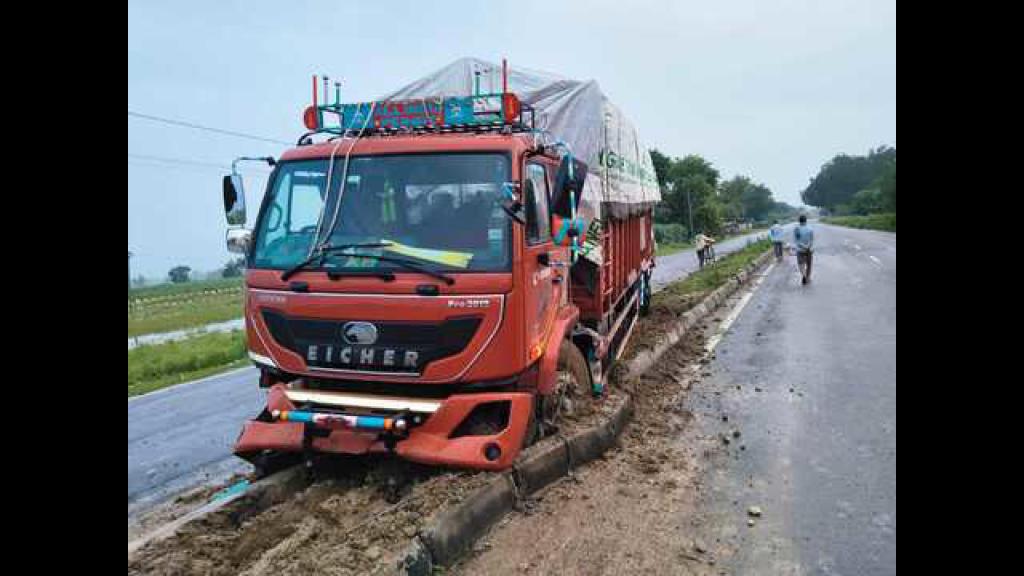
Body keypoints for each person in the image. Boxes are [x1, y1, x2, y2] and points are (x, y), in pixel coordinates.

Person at [794, 214, 814, 284]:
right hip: (809, 249)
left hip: (800, 249)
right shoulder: (810, 229)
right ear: (806, 221)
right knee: (809, 264)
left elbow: (797, 241)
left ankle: (804, 275)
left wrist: (803, 246)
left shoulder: (797, 229)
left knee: (801, 264)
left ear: (799, 221)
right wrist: (808, 246)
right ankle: (808, 278)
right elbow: (811, 240)